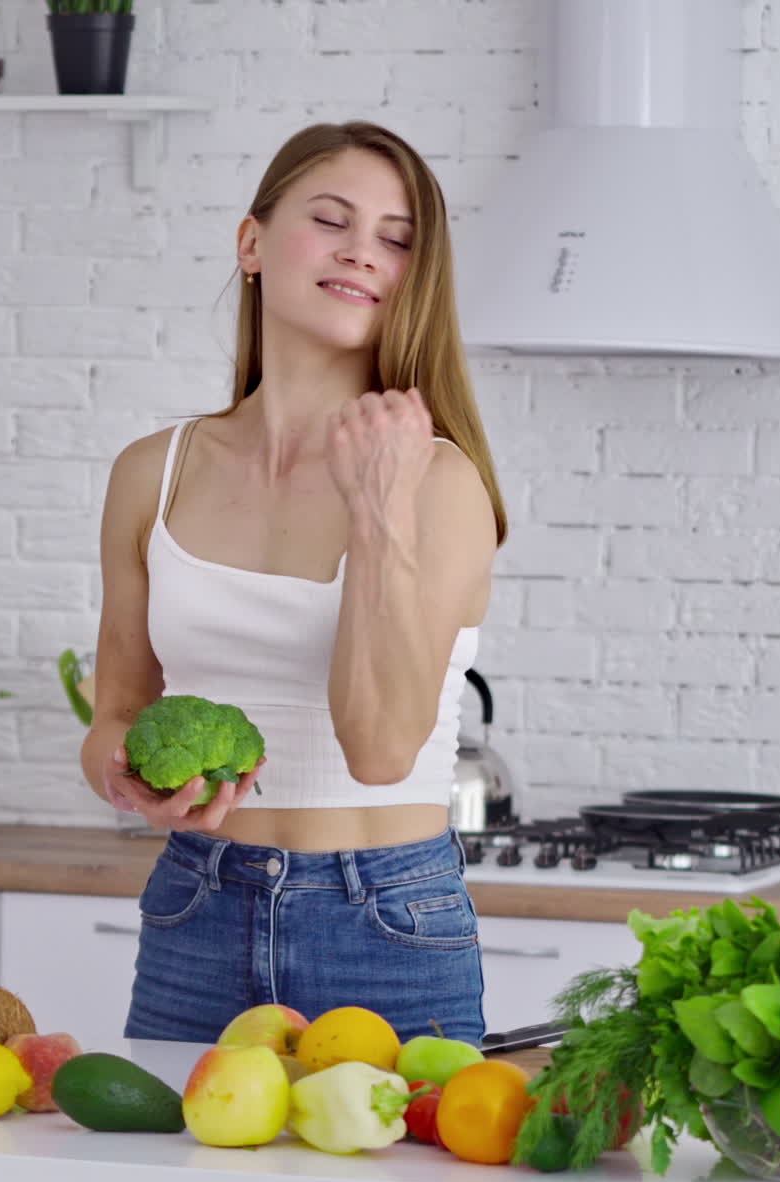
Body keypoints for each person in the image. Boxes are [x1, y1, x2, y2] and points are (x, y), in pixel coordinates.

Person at [80, 120, 508, 1046]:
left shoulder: (439, 482)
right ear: (252, 243)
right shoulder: (151, 472)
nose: (363, 251)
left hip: (385, 921)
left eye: (397, 239)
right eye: (332, 219)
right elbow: (116, 710)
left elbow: (384, 748)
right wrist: (125, 775)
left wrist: (378, 510)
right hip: (197, 906)